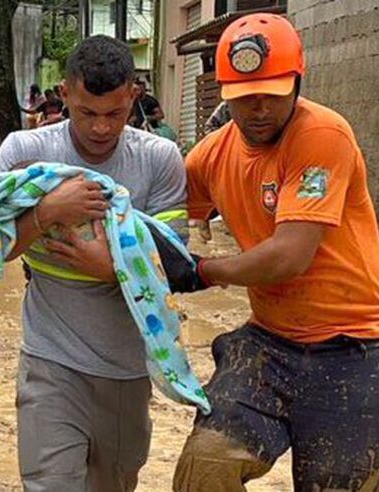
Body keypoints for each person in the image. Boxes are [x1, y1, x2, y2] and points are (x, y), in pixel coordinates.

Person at [173, 14, 379, 491]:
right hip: (269, 343)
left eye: (271, 93)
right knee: (205, 466)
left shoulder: (322, 135)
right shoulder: (210, 156)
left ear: (297, 83)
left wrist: (204, 271)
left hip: (354, 347)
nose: (258, 108)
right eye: (243, 97)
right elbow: (161, 217)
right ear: (225, 93)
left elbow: (289, 256)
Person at [0, 35, 187, 491]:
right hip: (50, 361)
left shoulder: (159, 160)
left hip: (127, 370)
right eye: (86, 113)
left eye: (114, 114)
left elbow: (176, 266)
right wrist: (47, 213)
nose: (100, 128)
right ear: (64, 95)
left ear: (133, 97)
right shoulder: (25, 154)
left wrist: (112, 267)